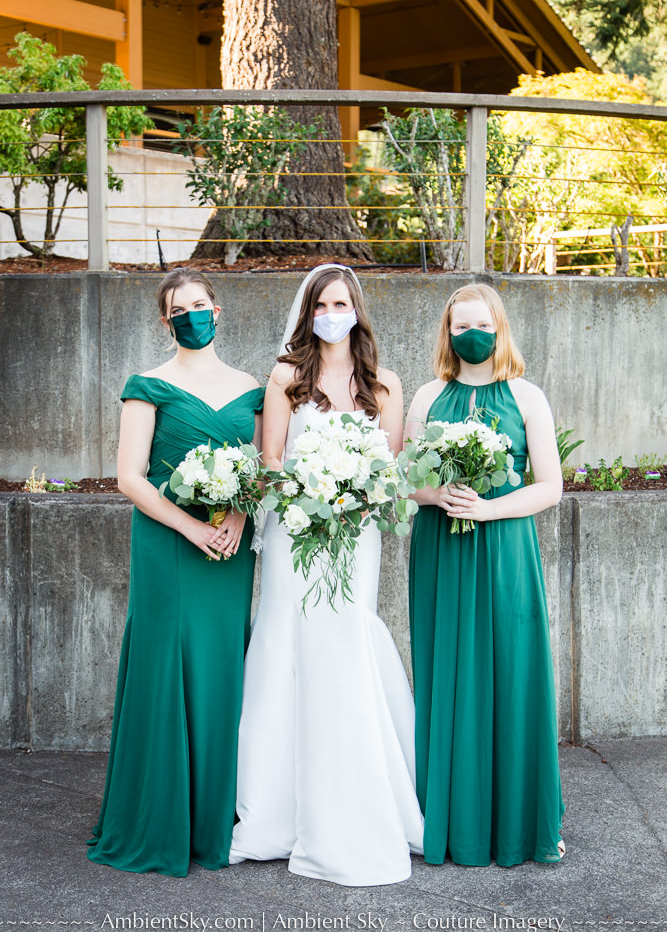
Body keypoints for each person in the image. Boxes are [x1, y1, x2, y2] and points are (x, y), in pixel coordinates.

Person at [229, 264, 424, 886]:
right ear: (308, 313)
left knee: (345, 641)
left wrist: (354, 491)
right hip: (296, 531)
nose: (332, 313)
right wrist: (312, 489)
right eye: (322, 305)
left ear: (357, 311)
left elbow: (390, 469)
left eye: (343, 303)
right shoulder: (287, 376)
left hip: (356, 534)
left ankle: (359, 792)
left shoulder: (384, 384)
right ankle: (276, 814)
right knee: (288, 642)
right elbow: (273, 458)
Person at [87, 267, 264, 877]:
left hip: (229, 547)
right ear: (166, 322)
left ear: (218, 310)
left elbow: (260, 467)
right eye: (177, 309)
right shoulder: (147, 385)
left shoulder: (251, 388)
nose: (190, 315)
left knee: (221, 668)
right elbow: (130, 477)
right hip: (170, 543)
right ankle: (159, 819)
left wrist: (239, 518)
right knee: (167, 666)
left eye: (199, 304)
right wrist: (190, 527)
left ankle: (216, 816)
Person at [405, 282, 565, 868]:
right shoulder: (426, 396)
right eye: (459, 326)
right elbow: (404, 479)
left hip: (504, 553)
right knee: (447, 675)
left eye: (481, 325)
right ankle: (450, 818)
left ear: (499, 329)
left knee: (510, 673)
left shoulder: (527, 397)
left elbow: (550, 486)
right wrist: (439, 493)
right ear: (447, 334)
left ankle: (521, 822)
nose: (470, 334)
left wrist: (488, 508)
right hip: (441, 549)